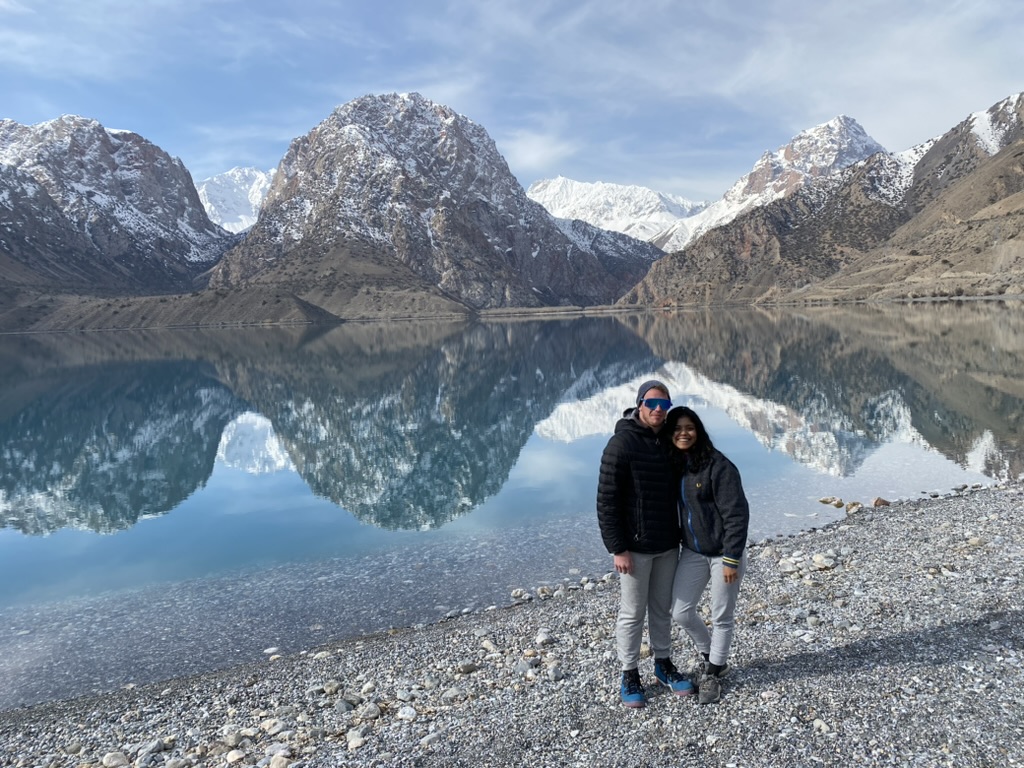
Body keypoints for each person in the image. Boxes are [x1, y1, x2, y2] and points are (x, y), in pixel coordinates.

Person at [596, 380, 694, 707]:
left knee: (661, 610)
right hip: (635, 549)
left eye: (664, 406)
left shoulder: (669, 442)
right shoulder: (621, 444)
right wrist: (617, 548)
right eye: (651, 404)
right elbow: (607, 501)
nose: (657, 410)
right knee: (632, 613)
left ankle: (663, 665)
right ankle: (629, 672)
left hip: (667, 544)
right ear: (639, 404)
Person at [665, 405, 750, 705]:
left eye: (688, 427)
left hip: (723, 555)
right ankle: (711, 653)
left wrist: (732, 558)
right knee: (680, 610)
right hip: (693, 551)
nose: (683, 433)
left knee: (721, 615)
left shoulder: (719, 466)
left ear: (698, 430)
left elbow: (737, 514)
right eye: (676, 429)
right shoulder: (677, 465)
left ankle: (713, 671)